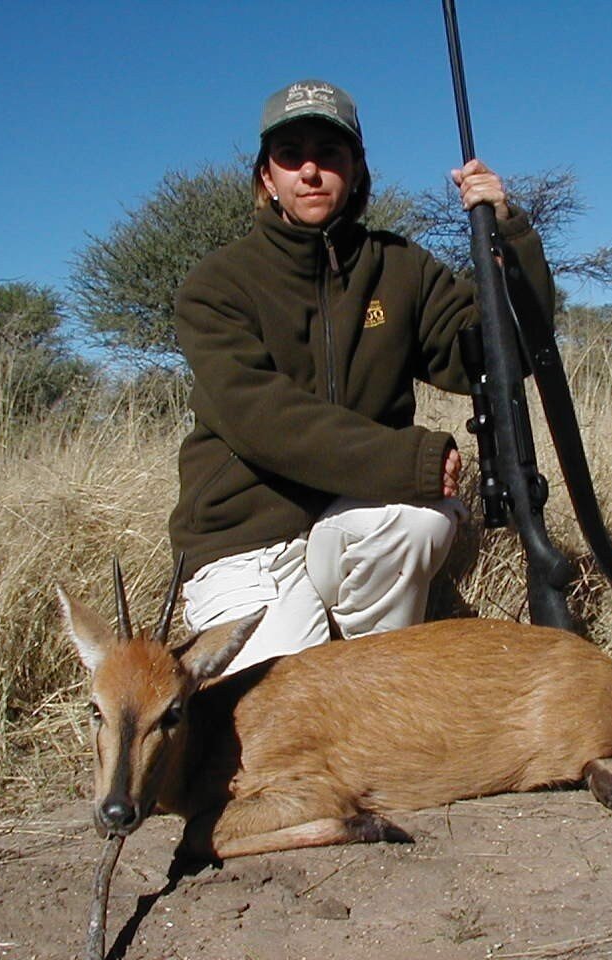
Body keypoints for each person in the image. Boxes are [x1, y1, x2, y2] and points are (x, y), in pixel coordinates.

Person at [168, 79, 554, 675]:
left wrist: (510, 232)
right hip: (247, 542)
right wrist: (412, 462)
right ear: (267, 177)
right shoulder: (216, 285)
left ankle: (375, 675)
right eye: (291, 156)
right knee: (276, 723)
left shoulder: (399, 265)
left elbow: (502, 354)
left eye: (330, 154)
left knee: (418, 519)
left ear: (356, 169)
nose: (311, 171)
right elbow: (260, 418)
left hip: (350, 524)